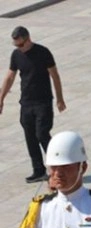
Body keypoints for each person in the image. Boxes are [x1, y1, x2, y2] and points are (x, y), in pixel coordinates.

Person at [0, 26, 66, 183]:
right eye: (16, 46)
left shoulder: (43, 52)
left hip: (43, 102)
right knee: (30, 136)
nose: (19, 48)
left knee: (42, 133)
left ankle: (59, 165)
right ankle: (38, 170)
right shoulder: (16, 55)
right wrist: (1, 98)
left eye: (21, 45)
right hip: (26, 103)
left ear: (28, 39)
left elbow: (55, 76)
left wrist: (59, 98)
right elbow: (10, 77)